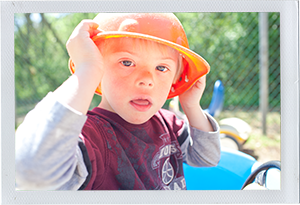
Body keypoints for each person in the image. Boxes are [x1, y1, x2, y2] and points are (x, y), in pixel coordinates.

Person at [15, 13, 220, 190]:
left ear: (176, 79)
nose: (147, 79)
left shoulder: (168, 124)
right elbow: (32, 171)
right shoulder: (91, 138)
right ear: (98, 69)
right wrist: (86, 70)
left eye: (161, 68)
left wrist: (192, 106)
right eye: (127, 62)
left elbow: (207, 157)